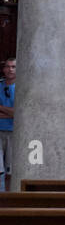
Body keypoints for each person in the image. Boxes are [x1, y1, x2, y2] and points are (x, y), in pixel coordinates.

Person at [0, 56, 15, 191]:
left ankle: (9, 199)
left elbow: (17, 113)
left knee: (10, 172)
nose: (10, 69)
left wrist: (1, 108)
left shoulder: (21, 88)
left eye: (13, 67)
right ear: (3, 69)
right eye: (8, 66)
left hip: (13, 133)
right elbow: (12, 113)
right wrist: (9, 113)